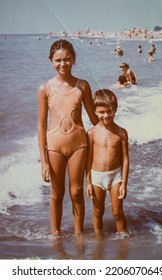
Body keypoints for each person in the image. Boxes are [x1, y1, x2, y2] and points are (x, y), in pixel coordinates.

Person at [38, 39, 98, 238]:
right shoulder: (45, 89)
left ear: (74, 60)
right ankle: (55, 235)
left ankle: (78, 235)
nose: (62, 64)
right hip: (54, 146)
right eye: (58, 60)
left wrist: (111, 127)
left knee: (76, 191)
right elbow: (41, 126)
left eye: (67, 59)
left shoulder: (82, 85)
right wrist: (44, 162)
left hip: (79, 145)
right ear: (50, 61)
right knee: (56, 193)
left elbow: (93, 119)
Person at [86, 89, 129, 237]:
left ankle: (124, 238)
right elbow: (88, 159)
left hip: (116, 176)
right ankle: (99, 239)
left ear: (115, 109)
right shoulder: (91, 133)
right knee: (98, 211)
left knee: (117, 212)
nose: (106, 115)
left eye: (110, 111)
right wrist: (88, 182)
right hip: (96, 177)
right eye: (101, 112)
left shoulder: (121, 132)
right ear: (95, 112)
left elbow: (125, 159)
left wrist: (124, 183)